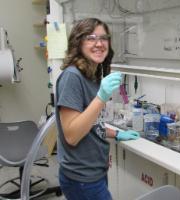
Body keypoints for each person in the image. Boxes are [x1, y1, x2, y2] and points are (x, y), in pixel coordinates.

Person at [55, 18, 140, 200]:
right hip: (81, 177)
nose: (99, 44)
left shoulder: (91, 75)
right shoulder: (72, 77)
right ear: (78, 43)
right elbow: (71, 135)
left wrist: (115, 134)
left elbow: (91, 122)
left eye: (103, 38)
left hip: (95, 171)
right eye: (91, 38)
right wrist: (101, 97)